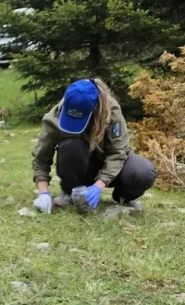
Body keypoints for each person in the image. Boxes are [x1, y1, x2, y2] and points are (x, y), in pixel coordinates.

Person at [31, 78, 157, 214]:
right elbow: (41, 158)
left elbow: (118, 151)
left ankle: (123, 198)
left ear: (94, 109)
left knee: (143, 172)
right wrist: (43, 193)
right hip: (82, 166)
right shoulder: (55, 118)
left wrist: (99, 185)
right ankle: (71, 192)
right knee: (71, 145)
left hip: (109, 165)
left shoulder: (111, 111)